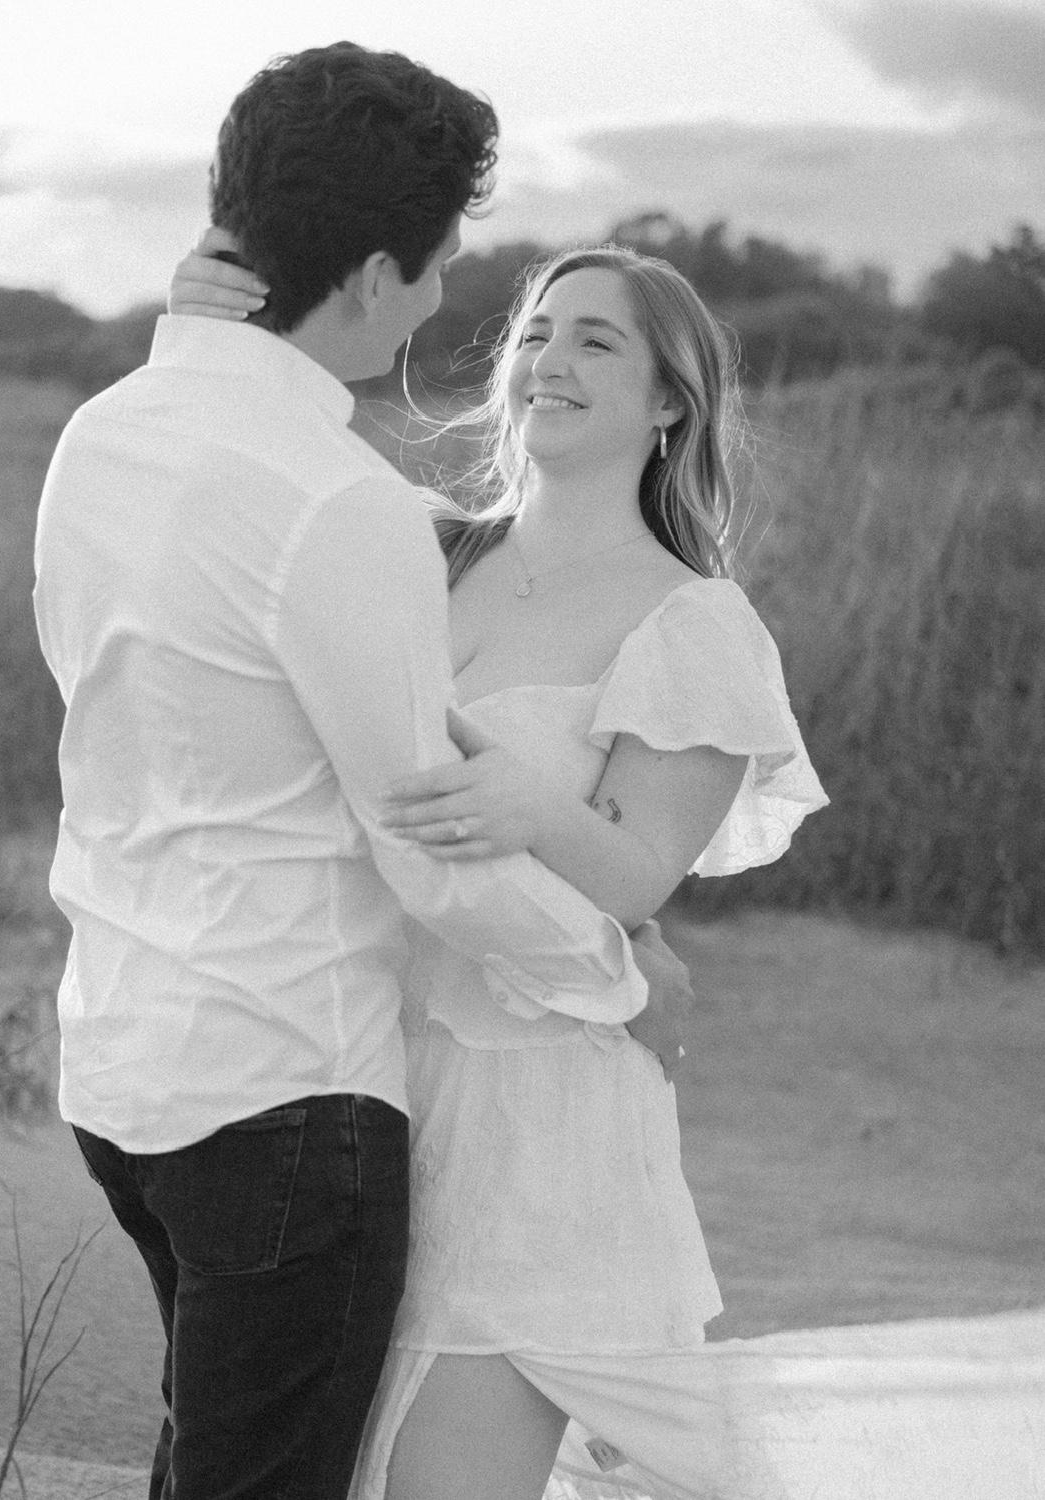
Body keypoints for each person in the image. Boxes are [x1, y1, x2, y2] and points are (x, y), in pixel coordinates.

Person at [170, 236, 1045, 1499]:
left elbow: (636, 874)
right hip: (348, 1082)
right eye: (535, 333)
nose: (550, 361)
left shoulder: (693, 624)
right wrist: (205, 333)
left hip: (532, 1126)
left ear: (671, 402)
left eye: (596, 341)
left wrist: (536, 811)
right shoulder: (417, 550)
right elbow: (223, 520)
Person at [32, 45, 690, 1500]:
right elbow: (426, 846)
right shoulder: (339, 502)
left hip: (122, 1061)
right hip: (281, 1088)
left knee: (214, 1458)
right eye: (441, 264)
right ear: (381, 274)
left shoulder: (100, 438)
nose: (448, 298)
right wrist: (619, 971)